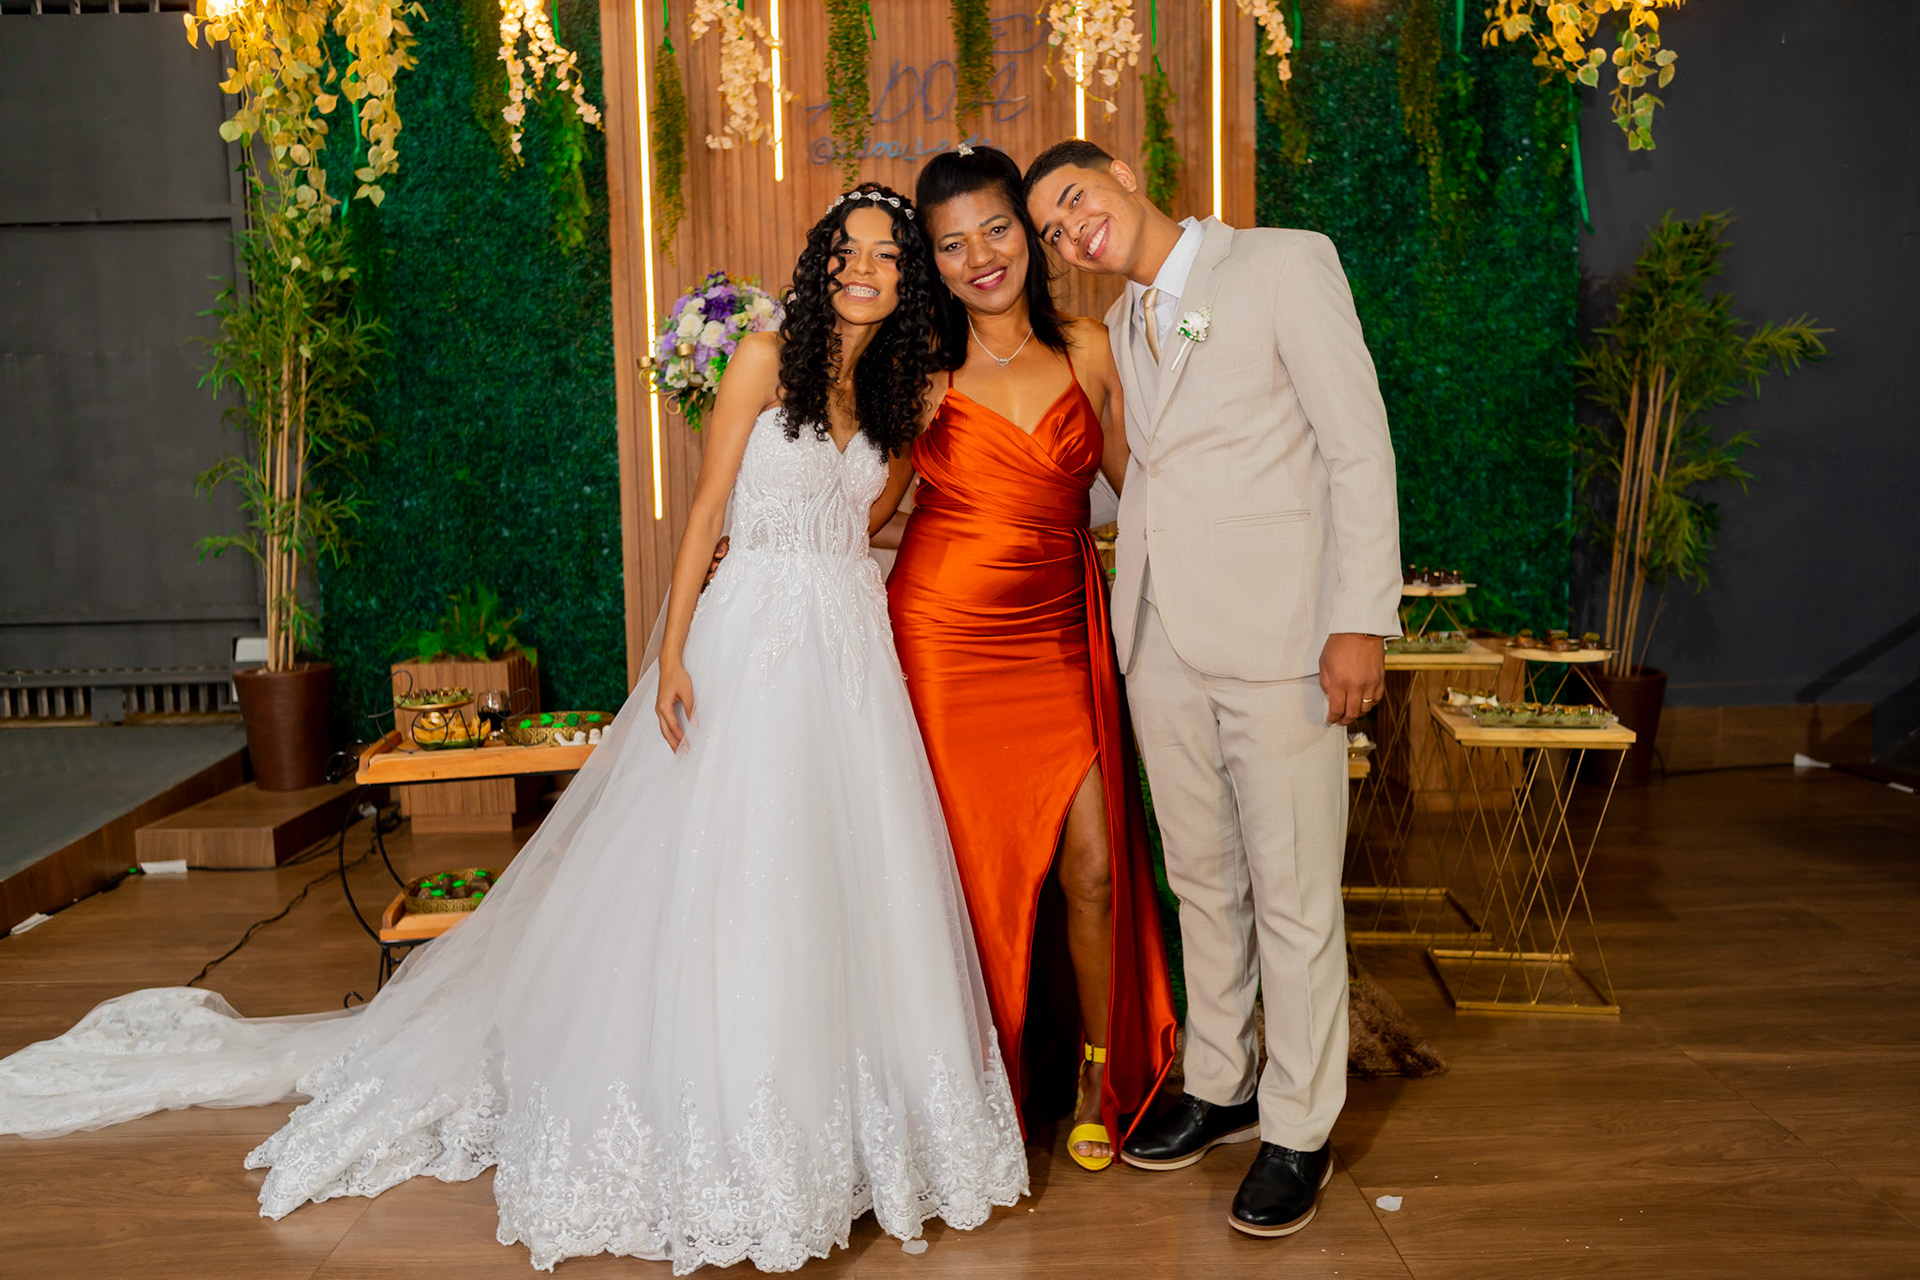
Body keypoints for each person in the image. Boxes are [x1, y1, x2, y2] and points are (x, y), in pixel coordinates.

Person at [0, 183, 1028, 1274]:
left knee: (845, 870)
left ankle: (852, 1133)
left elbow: (872, 517)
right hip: (752, 636)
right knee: (740, 863)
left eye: (888, 254)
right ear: (820, 262)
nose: (865, 268)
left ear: (910, 277)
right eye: (847, 250)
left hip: (848, 648)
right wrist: (676, 650)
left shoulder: (900, 396)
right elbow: (708, 509)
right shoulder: (764, 359)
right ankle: (734, 1125)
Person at [1024, 142, 1400, 1238]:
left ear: (1125, 172)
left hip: (1284, 636)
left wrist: (1359, 619)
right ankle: (1221, 1079)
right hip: (1161, 638)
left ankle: (1299, 1127)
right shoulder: (1127, 322)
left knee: (1293, 890)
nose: (1070, 231)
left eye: (1074, 200)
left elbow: (1358, 447)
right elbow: (1153, 473)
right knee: (1202, 881)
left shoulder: (1282, 263)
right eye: (1051, 230)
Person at [881, 146, 1176, 1174]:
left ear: (1031, 232)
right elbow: (870, 514)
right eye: (951, 244)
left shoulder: (1090, 348)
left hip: (1056, 631)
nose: (981, 257)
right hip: (944, 639)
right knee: (972, 875)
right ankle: (977, 1081)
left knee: (1091, 869)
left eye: (997, 229)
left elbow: (1145, 494)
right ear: (932, 260)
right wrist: (760, 545)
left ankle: (1097, 1070)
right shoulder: (922, 374)